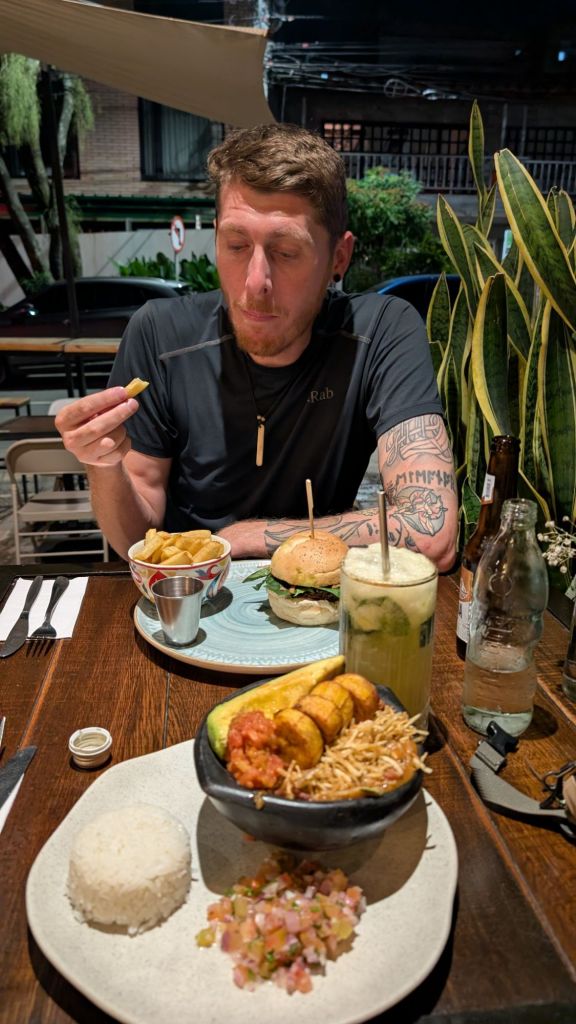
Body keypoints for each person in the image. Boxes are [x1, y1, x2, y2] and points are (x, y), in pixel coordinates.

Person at [56, 124, 457, 571]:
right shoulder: (160, 334)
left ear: (338, 258)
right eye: (236, 245)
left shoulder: (380, 330)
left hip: (317, 589)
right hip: (189, 592)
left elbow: (432, 531)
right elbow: (135, 539)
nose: (254, 282)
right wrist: (104, 465)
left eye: (286, 252)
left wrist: (243, 538)